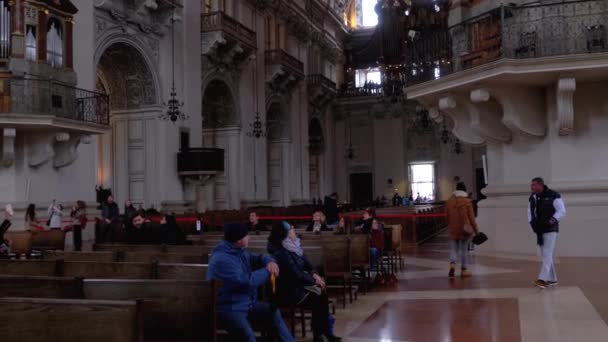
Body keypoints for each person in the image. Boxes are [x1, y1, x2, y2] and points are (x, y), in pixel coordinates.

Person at [207, 223, 293, 342]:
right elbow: (246, 281)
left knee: (272, 311)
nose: (249, 238)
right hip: (230, 308)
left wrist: (270, 262)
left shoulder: (238, 251)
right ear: (238, 240)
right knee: (249, 338)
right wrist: (268, 272)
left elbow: (258, 258)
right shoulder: (222, 258)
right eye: (247, 235)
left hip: (246, 303)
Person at [267, 222, 341, 342]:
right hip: (288, 290)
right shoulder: (281, 252)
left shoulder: (292, 245)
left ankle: (324, 332)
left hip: (297, 285)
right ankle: (320, 334)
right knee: (319, 296)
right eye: (291, 228)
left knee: (321, 294)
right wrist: (314, 281)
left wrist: (314, 274)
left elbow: (306, 262)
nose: (293, 229)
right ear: (284, 233)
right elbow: (295, 274)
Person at [528, 177, 566, 289]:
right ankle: (553, 279)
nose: (532, 187)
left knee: (547, 253)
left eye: (534, 185)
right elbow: (530, 211)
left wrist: (552, 220)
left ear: (541, 185)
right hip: (539, 229)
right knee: (545, 254)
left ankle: (542, 279)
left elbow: (562, 210)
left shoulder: (553, 195)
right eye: (531, 185)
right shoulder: (533, 197)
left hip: (550, 229)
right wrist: (532, 223)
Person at [446, 182, 479, 278]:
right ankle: (464, 270)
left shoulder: (449, 201)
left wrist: (450, 225)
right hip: (465, 229)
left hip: (453, 228)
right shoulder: (467, 202)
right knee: (464, 249)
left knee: (453, 249)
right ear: (464, 190)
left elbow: (446, 216)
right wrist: (476, 231)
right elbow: (472, 218)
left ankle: (452, 264)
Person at [369, 218, 385, 283]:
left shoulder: (380, 233)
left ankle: (371, 269)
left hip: (378, 251)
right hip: (368, 251)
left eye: (376, 223)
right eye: (374, 223)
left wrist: (372, 244)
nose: (376, 225)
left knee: (374, 250)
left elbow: (380, 245)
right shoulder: (369, 233)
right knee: (371, 250)